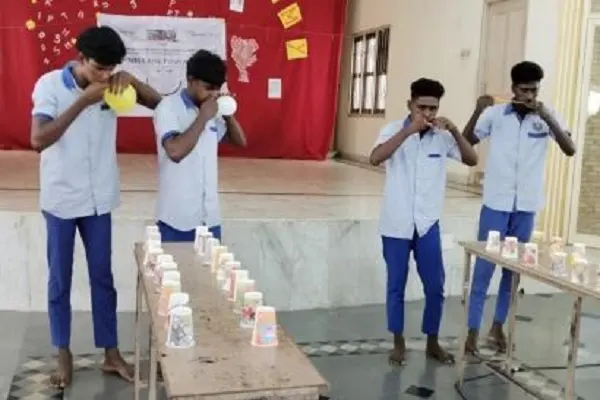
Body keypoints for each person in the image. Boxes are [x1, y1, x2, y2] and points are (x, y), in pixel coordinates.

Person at [30, 26, 161, 388]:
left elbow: (159, 104)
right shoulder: (49, 86)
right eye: (99, 68)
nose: (104, 76)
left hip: (99, 198)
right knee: (60, 279)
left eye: (111, 69)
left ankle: (111, 353)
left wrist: (132, 80)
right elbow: (38, 139)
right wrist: (82, 102)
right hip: (61, 199)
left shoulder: (113, 85)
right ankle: (63, 352)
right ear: (81, 58)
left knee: (103, 277)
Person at [462, 61, 576, 354]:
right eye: (524, 90)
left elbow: (570, 148)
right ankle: (472, 331)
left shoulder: (546, 116)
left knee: (513, 270)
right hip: (496, 203)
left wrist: (547, 117)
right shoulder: (495, 114)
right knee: (484, 267)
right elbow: (467, 141)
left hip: (526, 207)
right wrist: (477, 109)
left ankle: (497, 326)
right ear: (513, 88)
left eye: (534, 90)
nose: (529, 96)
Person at [370, 78, 478, 365]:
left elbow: (471, 159)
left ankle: (432, 341)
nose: (428, 114)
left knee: (435, 285)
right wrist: (408, 131)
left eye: (433, 108)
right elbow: (375, 158)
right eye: (422, 108)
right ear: (410, 105)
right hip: (396, 223)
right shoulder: (392, 130)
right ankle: (398, 341)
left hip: (428, 224)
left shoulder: (442, 137)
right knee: (396, 285)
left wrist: (454, 130)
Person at [153, 49, 247, 242]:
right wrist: (203, 117)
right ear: (190, 80)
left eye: (217, 88)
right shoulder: (168, 108)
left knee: (213, 263)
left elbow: (240, 142)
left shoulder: (213, 109)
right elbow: (175, 151)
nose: (213, 94)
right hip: (177, 219)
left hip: (210, 219)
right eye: (208, 87)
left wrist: (228, 114)